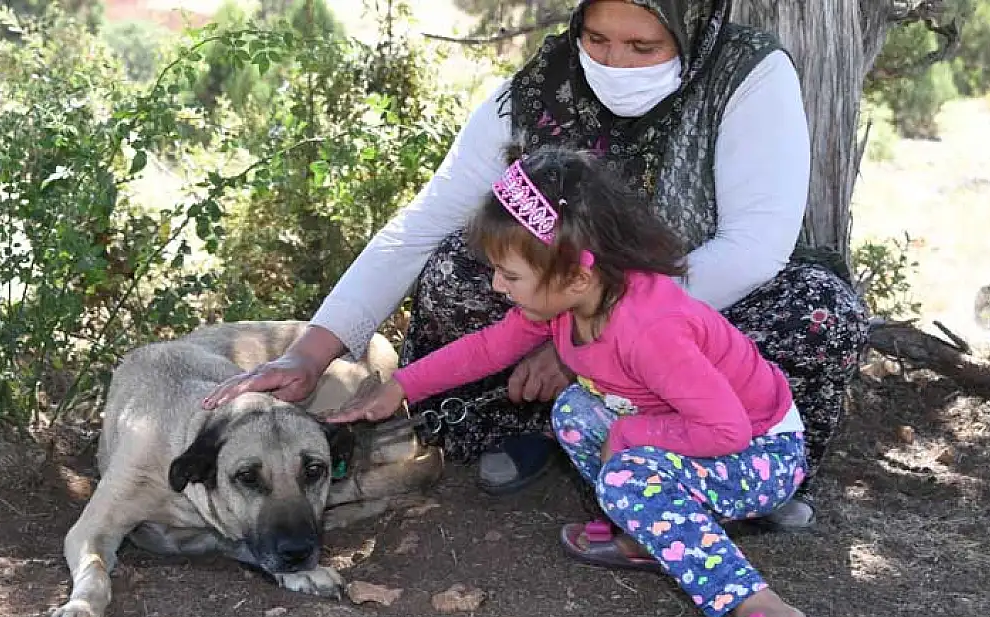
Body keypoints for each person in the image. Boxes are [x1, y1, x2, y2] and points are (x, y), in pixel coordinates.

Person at [202, 0, 869, 531]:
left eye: (644, 47)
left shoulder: (747, 74)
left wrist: (596, 324)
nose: (616, 62)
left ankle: (745, 473)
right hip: (565, 306)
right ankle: (529, 431)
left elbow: (755, 246)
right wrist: (312, 354)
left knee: (817, 312)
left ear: (690, 27)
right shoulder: (538, 87)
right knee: (456, 277)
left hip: (687, 309)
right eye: (598, 40)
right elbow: (424, 223)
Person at [325, 146, 810, 617]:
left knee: (627, 476)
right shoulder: (574, 304)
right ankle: (649, 533)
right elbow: (488, 349)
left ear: (577, 277)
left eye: (510, 274)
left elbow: (727, 431)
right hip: (695, 430)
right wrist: (402, 385)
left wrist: (626, 437)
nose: (497, 286)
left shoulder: (651, 331)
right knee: (574, 410)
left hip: (763, 451)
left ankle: (759, 604)